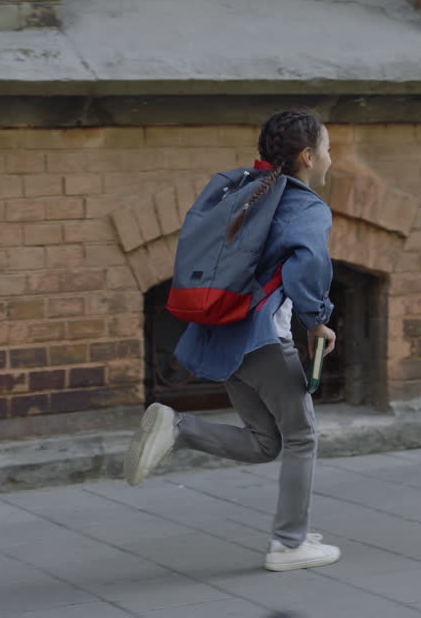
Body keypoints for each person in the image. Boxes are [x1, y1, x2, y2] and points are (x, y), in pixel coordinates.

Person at [123, 108, 340, 572]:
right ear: (307, 155)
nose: (330, 156)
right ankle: (289, 544)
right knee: (302, 437)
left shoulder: (245, 189)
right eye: (326, 147)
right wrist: (318, 320)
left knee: (266, 442)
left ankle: (179, 428)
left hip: (224, 334)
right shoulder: (305, 206)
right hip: (264, 339)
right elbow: (307, 269)